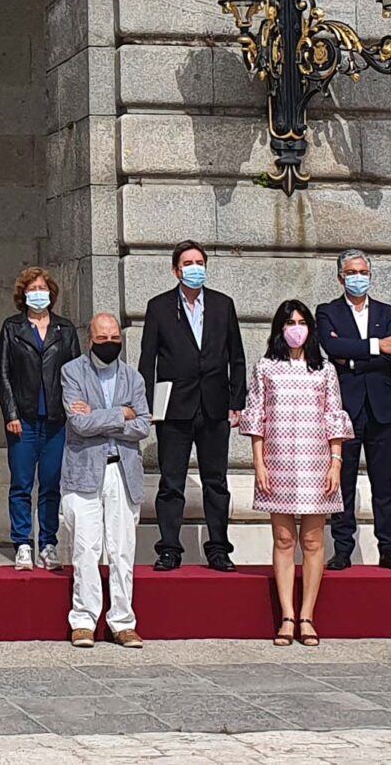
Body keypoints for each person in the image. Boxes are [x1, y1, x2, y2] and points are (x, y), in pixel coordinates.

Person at [241, 299, 354, 646]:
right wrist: (259, 463)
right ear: (280, 328)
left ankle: (308, 615)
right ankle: (287, 615)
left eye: (302, 322)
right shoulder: (265, 368)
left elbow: (335, 416)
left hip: (316, 461)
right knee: (284, 539)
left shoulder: (324, 370)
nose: (296, 328)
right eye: (290, 322)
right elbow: (256, 417)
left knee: (313, 540)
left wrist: (335, 462)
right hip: (277, 461)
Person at [136, 240, 247, 571]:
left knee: (217, 482)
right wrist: (149, 406)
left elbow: (237, 357)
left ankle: (218, 548)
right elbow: (147, 360)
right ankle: (169, 548)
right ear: (176, 270)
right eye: (188, 263)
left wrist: (236, 401)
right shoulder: (159, 307)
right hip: (174, 406)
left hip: (214, 405)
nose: (195, 267)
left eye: (200, 262)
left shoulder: (222, 305)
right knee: (172, 482)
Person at [59, 311, 149, 648]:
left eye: (114, 339)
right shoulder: (72, 372)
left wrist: (101, 417)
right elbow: (78, 424)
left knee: (122, 550)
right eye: (102, 339)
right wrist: (121, 414)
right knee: (86, 548)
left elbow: (142, 425)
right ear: (89, 339)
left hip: (122, 471)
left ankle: (123, 621)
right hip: (84, 471)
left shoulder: (133, 378)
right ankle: (83, 620)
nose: (109, 343)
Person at [318, 248, 391, 571]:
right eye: (352, 272)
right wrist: (374, 346)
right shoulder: (327, 312)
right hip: (346, 408)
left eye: (363, 272)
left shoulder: (388, 312)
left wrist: (353, 358)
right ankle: (342, 548)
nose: (359, 278)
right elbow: (332, 348)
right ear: (341, 277)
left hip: (383, 408)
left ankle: (388, 547)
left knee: (382, 482)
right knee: (343, 481)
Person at [0, 267, 80, 570]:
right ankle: (21, 543)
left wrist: (75, 410)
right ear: (23, 294)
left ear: (51, 292)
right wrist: (11, 414)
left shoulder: (65, 330)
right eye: (32, 288)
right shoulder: (11, 328)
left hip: (56, 421)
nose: (38, 292)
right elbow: (2, 375)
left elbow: (76, 374)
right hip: (24, 420)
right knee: (21, 484)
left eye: (42, 287)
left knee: (51, 484)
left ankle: (48, 544)